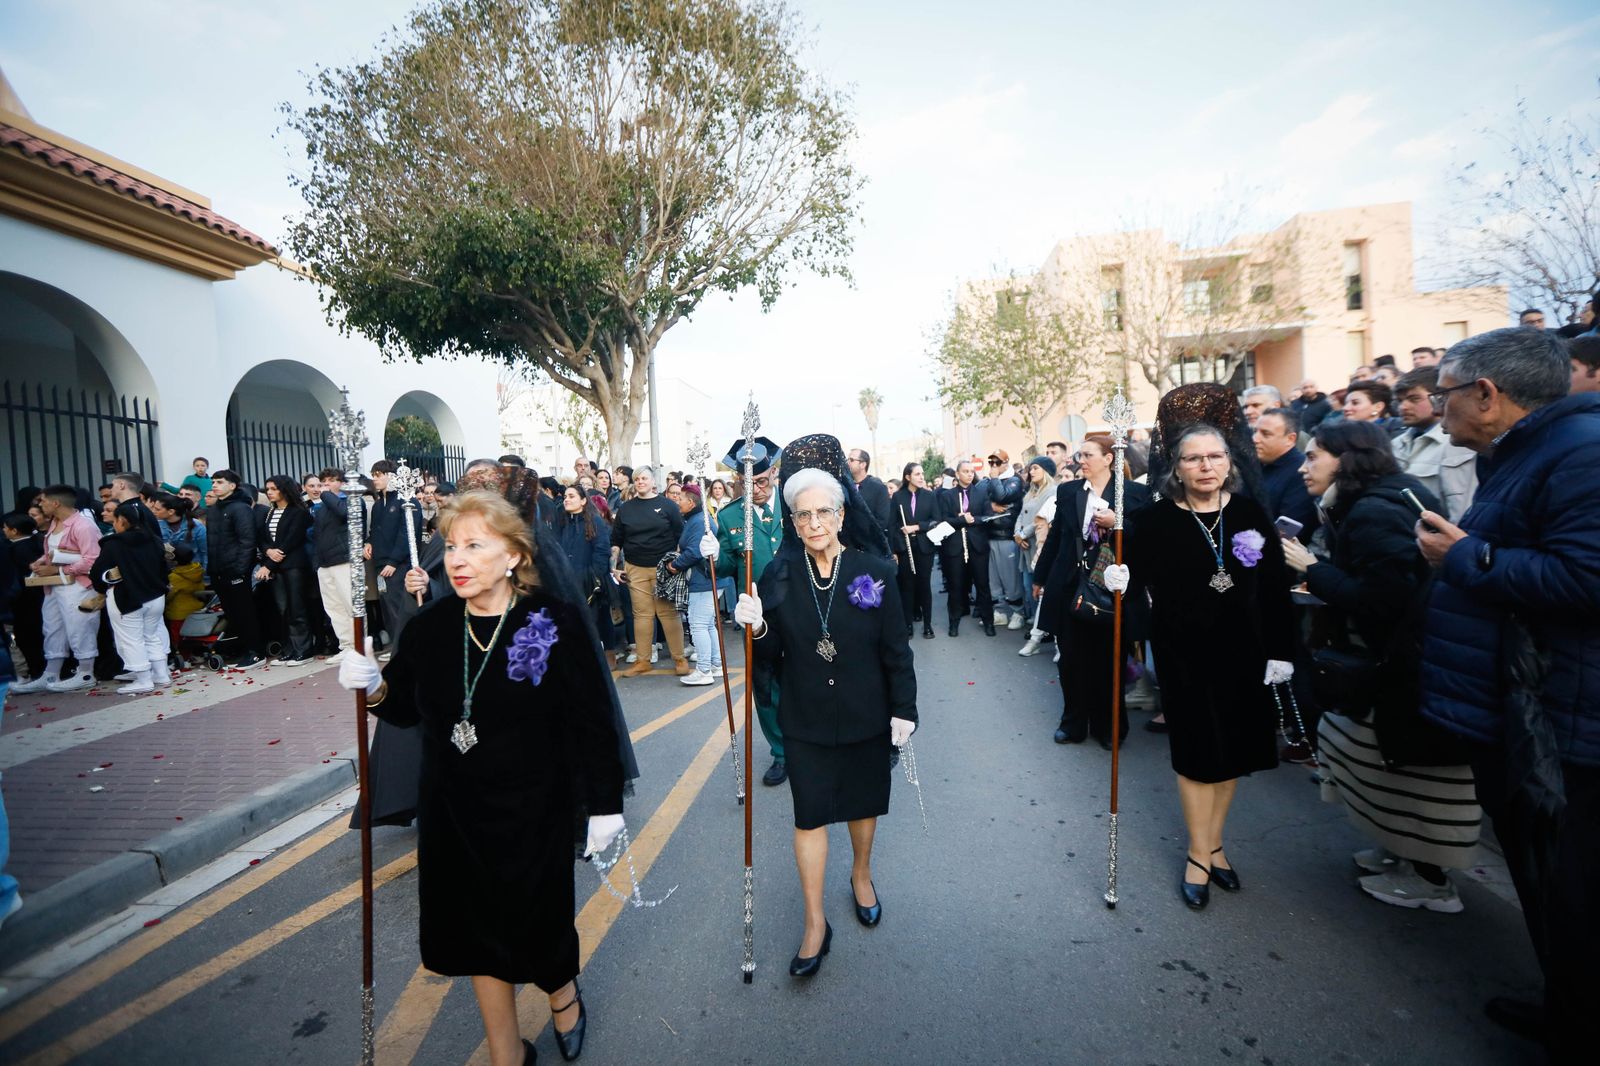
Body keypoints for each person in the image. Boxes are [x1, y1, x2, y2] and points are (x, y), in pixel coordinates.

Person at [338, 491, 628, 1065]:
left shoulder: (554, 622)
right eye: (451, 546)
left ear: (514, 555)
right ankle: (506, 1052)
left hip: (533, 810)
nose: (458, 559)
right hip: (453, 814)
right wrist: (373, 687)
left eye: (475, 545)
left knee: (540, 926)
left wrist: (604, 803)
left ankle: (563, 995)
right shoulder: (430, 627)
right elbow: (404, 711)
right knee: (475, 937)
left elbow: (592, 721)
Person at [1412, 327, 1599, 1060]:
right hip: (1526, 712)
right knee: (1551, 893)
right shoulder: (1528, 454)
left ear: (1485, 394)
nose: (1436, 407)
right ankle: (1565, 1009)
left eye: (1444, 393)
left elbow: (1587, 580)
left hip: (1562, 725)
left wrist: (1466, 557)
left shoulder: (1580, 454)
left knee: (1574, 897)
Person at [1282, 421, 1479, 912]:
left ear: (1345, 460)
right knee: (1372, 756)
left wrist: (1312, 568)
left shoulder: (1372, 512)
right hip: (1399, 661)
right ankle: (1401, 853)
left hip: (1402, 665)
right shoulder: (1382, 496)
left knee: (1408, 770)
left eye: (1313, 456)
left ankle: (1432, 880)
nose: (1305, 467)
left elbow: (1381, 601)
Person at [734, 464, 916, 979]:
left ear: (841, 515)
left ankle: (860, 874)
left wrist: (905, 708)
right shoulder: (779, 574)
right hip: (806, 713)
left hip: (866, 710)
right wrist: (759, 623)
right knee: (809, 814)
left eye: (823, 512)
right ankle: (815, 922)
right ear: (792, 523)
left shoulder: (872, 570)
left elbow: (896, 647)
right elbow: (769, 651)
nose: (814, 523)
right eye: (803, 515)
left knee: (861, 803)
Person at [1125, 393, 1296, 911]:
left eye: (1216, 456)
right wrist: (1115, 573)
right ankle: (1199, 856)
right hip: (1184, 655)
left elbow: (1273, 590)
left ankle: (1214, 846)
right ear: (1175, 467)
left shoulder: (1248, 512)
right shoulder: (1154, 521)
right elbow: (1127, 581)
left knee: (1233, 756)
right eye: (1194, 458)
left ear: (1231, 461)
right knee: (1199, 757)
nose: (1206, 466)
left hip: (1245, 653)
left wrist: (1281, 651)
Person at [1034, 435, 1152, 748]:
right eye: (1080, 455)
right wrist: (1040, 576)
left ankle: (1109, 727)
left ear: (1108, 458)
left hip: (1112, 591)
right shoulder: (1069, 490)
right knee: (1070, 661)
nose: (1080, 461)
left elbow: (1149, 540)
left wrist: (1119, 522)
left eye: (1087, 455)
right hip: (1071, 588)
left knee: (1109, 662)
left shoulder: (1135, 494)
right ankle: (1073, 724)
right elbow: (1058, 536)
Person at [14, 484, 102, 692]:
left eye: (42, 500)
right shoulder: (54, 523)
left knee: (79, 627)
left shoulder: (84, 526)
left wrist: (57, 570)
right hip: (54, 587)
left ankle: (86, 672)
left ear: (56, 503)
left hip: (77, 585)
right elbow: (53, 551)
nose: (39, 504)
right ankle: (51, 674)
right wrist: (41, 562)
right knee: (53, 628)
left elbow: (93, 560)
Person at [610, 466, 689, 677]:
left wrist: (675, 565)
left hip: (663, 568)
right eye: (636, 479)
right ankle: (642, 660)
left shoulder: (667, 506)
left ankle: (679, 659)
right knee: (641, 616)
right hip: (634, 568)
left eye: (644, 478)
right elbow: (616, 541)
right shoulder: (626, 509)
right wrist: (614, 567)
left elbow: (680, 537)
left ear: (654, 481)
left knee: (668, 614)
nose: (640, 481)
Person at [93, 499, 170, 694]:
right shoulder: (154, 540)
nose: (113, 524)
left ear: (123, 521)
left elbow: (98, 573)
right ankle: (161, 674)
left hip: (127, 596)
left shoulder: (114, 544)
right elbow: (164, 569)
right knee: (151, 635)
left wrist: (105, 580)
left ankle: (143, 678)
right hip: (155, 595)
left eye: (115, 520)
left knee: (130, 639)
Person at [1391, 367, 1478, 522]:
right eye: (1399, 400)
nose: (1403, 407)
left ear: (1440, 397)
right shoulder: (1395, 444)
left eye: (1414, 399)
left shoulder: (1456, 444)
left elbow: (1461, 508)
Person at [938, 459, 1007, 636]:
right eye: (966, 471)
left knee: (983, 585)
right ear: (957, 474)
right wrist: (961, 520)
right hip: (955, 547)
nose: (970, 474)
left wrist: (972, 519)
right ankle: (953, 623)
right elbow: (943, 521)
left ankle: (988, 623)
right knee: (955, 586)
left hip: (978, 546)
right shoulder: (947, 495)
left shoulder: (981, 493)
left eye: (971, 471)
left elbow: (987, 516)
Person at [206, 470, 264, 670]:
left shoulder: (240, 508)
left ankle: (256, 652)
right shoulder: (213, 509)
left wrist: (240, 569)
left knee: (245, 612)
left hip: (236, 571)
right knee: (232, 613)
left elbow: (247, 541)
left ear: (232, 486)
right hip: (218, 570)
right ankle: (243, 649)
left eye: (220, 482)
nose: (214, 485)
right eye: (213, 482)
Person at [256, 476, 315, 667]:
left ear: (284, 490)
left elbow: (291, 541)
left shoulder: (299, 512)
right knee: (283, 610)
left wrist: (268, 564)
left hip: (294, 565)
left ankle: (303, 650)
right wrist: (267, 551)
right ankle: (289, 650)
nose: (270, 492)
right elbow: (263, 538)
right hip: (276, 567)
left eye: (274, 489)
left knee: (297, 608)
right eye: (267, 489)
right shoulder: (269, 512)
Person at [366, 460, 425, 655]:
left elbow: (406, 535)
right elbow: (374, 531)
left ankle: (408, 649)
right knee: (387, 607)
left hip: (399, 564)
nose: (375, 479)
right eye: (373, 475)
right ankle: (396, 648)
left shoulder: (406, 501)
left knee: (401, 607)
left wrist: (393, 561)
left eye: (379, 475)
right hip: (380, 564)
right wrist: (368, 542)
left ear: (392, 476)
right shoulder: (377, 505)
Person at [666, 482, 720, 687]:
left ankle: (704, 669)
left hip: (704, 579)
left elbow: (696, 552)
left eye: (680, 498)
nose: (677, 501)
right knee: (707, 624)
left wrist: (674, 565)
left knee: (698, 624)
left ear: (690, 502)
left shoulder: (699, 521)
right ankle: (715, 665)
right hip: (705, 578)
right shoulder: (696, 519)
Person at [555, 484, 614, 655]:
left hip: (592, 579)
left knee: (599, 618)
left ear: (582, 500)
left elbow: (602, 549)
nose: (567, 499)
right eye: (565, 496)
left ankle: (609, 653)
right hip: (568, 579)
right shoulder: (563, 521)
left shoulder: (595, 521)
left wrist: (593, 574)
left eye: (572, 496)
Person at [889, 462, 939, 639]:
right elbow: (892, 525)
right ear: (908, 477)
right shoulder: (897, 497)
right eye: (917, 474)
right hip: (904, 549)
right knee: (907, 588)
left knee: (924, 587)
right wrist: (894, 550)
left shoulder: (929, 496)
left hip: (924, 548)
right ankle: (908, 625)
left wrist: (916, 527)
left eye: (922, 474)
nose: (921, 477)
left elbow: (936, 521)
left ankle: (927, 625)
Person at [1014, 456, 1058, 657]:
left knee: (1044, 593)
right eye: (1030, 469)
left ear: (1046, 471)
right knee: (1028, 586)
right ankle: (1040, 631)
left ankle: (1044, 637)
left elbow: (1041, 519)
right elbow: (1021, 516)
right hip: (1025, 547)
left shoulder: (1053, 490)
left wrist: (1024, 534)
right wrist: (1017, 534)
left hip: (1040, 547)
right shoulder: (1030, 491)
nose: (1031, 472)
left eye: (1036, 468)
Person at [979, 451, 1026, 629]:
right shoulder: (990, 480)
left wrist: (995, 478)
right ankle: (1000, 611)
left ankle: (1018, 612)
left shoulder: (1014, 480)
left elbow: (1002, 496)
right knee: (993, 579)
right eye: (991, 462)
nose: (993, 465)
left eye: (997, 462)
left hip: (1007, 536)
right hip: (990, 535)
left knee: (1010, 578)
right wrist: (989, 506)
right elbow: (977, 500)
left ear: (1006, 463)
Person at [1253, 408, 1318, 537]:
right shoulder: (1254, 464)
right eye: (1255, 432)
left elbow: (1288, 532)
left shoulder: (1302, 472)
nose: (1255, 439)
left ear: (1290, 439)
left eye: (1266, 434)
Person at [312, 468, 357, 655]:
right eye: (323, 482)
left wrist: (326, 495)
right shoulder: (321, 508)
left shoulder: (351, 501)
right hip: (325, 563)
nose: (325, 485)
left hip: (344, 560)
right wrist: (317, 564)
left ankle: (358, 645)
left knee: (350, 605)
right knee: (334, 608)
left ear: (342, 483)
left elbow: (343, 514)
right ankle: (346, 646)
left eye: (330, 481)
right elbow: (317, 536)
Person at [4, 512, 46, 681]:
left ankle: (33, 672)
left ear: (14, 531)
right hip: (37, 598)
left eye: (6, 528)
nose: (4, 531)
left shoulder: (16, 549)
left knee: (26, 638)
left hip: (23, 601)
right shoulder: (36, 543)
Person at [152, 493, 207, 573]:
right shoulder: (157, 524)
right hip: (167, 573)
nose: (153, 511)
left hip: (191, 572)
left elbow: (205, 553)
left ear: (171, 511)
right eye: (153, 508)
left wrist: (206, 578)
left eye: (157, 509)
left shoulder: (197, 526)